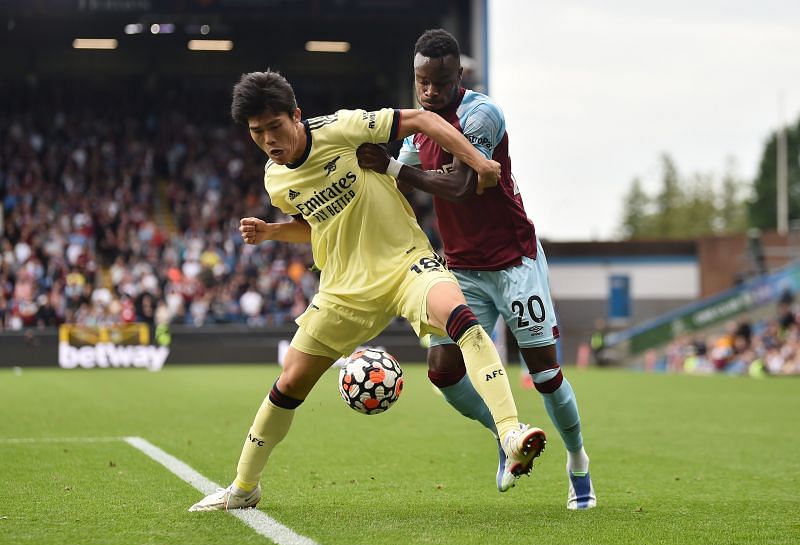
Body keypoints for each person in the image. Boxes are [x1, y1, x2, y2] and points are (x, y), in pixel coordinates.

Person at [188, 70, 546, 512]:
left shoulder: (341, 128)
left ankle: (509, 431)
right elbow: (317, 225)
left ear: (296, 116)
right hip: (343, 290)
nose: (268, 140)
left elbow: (422, 120)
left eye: (275, 127)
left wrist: (476, 159)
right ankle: (244, 488)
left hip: (405, 264)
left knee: (462, 320)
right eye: (257, 132)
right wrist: (271, 232)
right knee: (288, 384)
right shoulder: (275, 181)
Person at [356, 28, 596, 509]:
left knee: (544, 374)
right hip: (462, 265)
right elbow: (401, 184)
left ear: (458, 75)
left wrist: (395, 169)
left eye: (439, 82)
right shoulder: (420, 123)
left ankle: (578, 464)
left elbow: (462, 184)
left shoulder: (480, 114)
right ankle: (507, 435)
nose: (429, 91)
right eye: (421, 81)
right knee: (443, 372)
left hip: (513, 260)